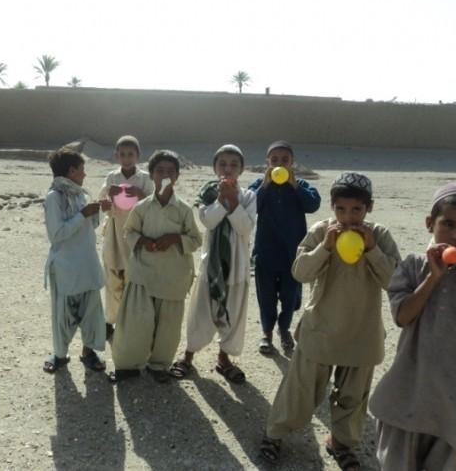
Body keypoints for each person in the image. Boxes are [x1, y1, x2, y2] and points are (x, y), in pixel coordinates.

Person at [260, 172, 400, 471]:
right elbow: (300, 272)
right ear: (332, 207)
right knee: (299, 390)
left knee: (353, 397)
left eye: (356, 210)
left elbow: (394, 281)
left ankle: (341, 443)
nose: (348, 218)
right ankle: (275, 434)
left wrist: (372, 249)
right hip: (321, 329)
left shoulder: (379, 235)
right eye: (341, 209)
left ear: (369, 207)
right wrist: (324, 247)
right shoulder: (321, 231)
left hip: (362, 333)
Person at [369, 183, 456, 470]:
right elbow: (402, 317)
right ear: (430, 223)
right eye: (448, 224)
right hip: (412, 391)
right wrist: (432, 278)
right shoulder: (413, 266)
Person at [109, 149, 202, 384]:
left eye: (171, 171)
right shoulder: (141, 207)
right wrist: (142, 241)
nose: (165, 175)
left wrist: (174, 239)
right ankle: (128, 365)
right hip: (143, 275)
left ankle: (159, 365)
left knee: (167, 327)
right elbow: (129, 231)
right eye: (160, 170)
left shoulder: (183, 209)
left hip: (173, 278)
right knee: (135, 323)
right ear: (151, 175)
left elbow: (195, 240)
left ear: (177, 176)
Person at [170, 144, 256, 383]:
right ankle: (188, 355)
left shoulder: (249, 196)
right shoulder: (208, 193)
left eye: (234, 165)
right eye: (223, 164)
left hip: (237, 266)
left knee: (233, 313)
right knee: (201, 311)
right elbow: (208, 221)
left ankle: (224, 358)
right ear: (215, 167)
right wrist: (222, 200)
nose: (228, 169)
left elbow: (245, 227)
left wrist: (233, 201)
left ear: (241, 169)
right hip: (212, 266)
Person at [249, 140, 321, 355]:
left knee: (290, 297)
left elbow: (313, 204)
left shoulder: (301, 185)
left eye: (284, 160)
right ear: (267, 163)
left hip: (293, 253)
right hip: (266, 251)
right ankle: (267, 333)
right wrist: (264, 185)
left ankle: (284, 329)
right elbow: (250, 206)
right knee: (266, 296)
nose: (279, 164)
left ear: (292, 163)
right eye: (274, 160)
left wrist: (295, 185)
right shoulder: (260, 185)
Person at [43, 147, 110, 373]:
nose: (84, 174)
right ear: (71, 171)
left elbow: (89, 226)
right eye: (82, 170)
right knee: (63, 315)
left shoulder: (81, 194)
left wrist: (98, 211)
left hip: (87, 264)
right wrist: (83, 214)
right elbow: (57, 234)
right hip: (66, 268)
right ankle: (60, 356)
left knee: (92, 313)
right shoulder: (54, 197)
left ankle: (88, 352)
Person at [99, 135, 155, 340]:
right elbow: (103, 203)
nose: (126, 158)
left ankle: (131, 321)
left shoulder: (145, 179)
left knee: (134, 279)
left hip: (136, 233)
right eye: (122, 154)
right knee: (113, 277)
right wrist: (109, 195)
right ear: (117, 156)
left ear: (138, 156)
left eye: (130, 154)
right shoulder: (112, 177)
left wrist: (139, 194)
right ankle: (110, 320)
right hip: (114, 233)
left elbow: (153, 204)